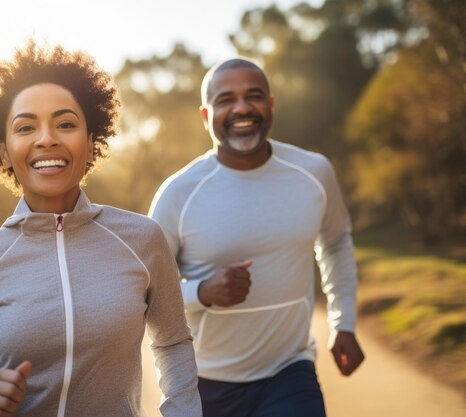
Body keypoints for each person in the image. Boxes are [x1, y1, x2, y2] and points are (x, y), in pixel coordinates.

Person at [0, 39, 201, 417]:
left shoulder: (142, 240)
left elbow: (173, 342)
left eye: (65, 123)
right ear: (4, 151)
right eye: (26, 127)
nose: (47, 138)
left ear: (91, 144)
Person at [148, 57, 365, 417]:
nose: (242, 107)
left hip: (290, 372)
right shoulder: (178, 194)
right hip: (204, 383)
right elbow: (146, 292)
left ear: (270, 105)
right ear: (206, 116)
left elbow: (336, 242)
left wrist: (344, 322)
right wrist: (203, 291)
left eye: (254, 95)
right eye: (225, 99)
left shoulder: (313, 172)